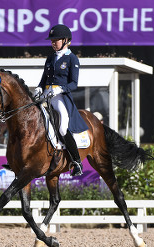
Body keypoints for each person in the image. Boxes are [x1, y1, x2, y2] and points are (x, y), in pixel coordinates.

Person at [34, 24, 89, 176]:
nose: (53, 42)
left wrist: (61, 88)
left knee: (63, 127)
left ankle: (76, 161)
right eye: (52, 40)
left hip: (59, 97)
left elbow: (74, 83)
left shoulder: (72, 59)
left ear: (66, 41)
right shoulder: (50, 57)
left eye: (56, 39)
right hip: (45, 95)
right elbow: (44, 78)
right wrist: (39, 88)